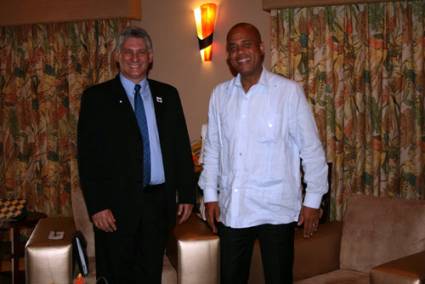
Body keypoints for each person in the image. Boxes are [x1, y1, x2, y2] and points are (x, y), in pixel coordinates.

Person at [198, 23, 328, 284]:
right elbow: (213, 149)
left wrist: (313, 200)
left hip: (275, 208)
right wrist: (210, 196)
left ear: (261, 48)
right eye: (233, 47)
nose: (239, 52)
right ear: (228, 56)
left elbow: (311, 149)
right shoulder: (220, 95)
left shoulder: (288, 92)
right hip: (234, 209)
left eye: (246, 44)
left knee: (278, 278)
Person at [77, 26, 195, 284]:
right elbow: (87, 158)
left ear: (150, 57)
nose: (134, 57)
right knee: (117, 277)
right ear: (117, 56)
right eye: (128, 52)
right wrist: (97, 205)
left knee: (150, 275)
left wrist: (187, 193)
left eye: (141, 52)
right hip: (114, 210)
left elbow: (180, 148)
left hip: (158, 205)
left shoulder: (169, 95)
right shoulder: (96, 98)